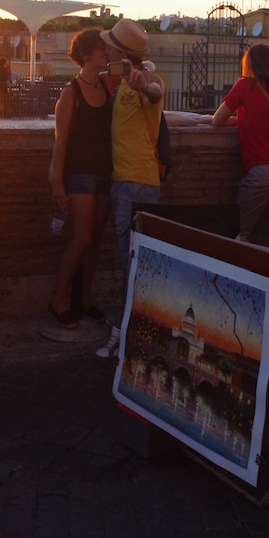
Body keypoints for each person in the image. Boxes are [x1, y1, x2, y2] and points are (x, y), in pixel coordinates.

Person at [96, 18, 163, 360]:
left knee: (133, 265)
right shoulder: (123, 84)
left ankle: (126, 337)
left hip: (134, 185)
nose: (105, 50)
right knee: (134, 264)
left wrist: (144, 82)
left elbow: (155, 90)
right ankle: (134, 335)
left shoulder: (143, 81)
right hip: (127, 183)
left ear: (120, 53)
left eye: (109, 45)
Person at [211, 43, 269, 258]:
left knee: (239, 232)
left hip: (264, 173)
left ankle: (235, 274)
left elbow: (217, 120)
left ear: (249, 63)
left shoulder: (244, 86)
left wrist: (239, 120)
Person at [47, 29, 112, 329]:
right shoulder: (71, 92)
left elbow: (141, 72)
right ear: (86, 54)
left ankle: (84, 300)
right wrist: (58, 182)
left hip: (105, 173)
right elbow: (60, 141)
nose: (106, 53)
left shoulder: (107, 84)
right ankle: (59, 299)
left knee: (95, 241)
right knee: (82, 237)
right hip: (79, 175)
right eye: (100, 48)